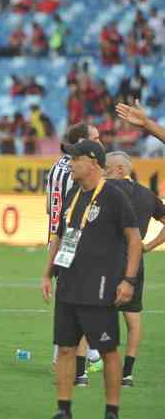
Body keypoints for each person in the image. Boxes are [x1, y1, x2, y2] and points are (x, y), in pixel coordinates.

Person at [42, 140, 141, 419]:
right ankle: (64, 409)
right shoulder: (73, 194)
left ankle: (111, 411)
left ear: (93, 162)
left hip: (99, 286)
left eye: (75, 159)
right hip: (68, 284)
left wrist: (129, 280)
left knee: (108, 350)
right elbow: (59, 237)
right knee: (65, 349)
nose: (70, 164)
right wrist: (47, 274)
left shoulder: (114, 195)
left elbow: (134, 239)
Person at [46, 122, 103, 379]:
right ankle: (76, 357)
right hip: (73, 241)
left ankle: (79, 354)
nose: (99, 142)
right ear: (82, 142)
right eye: (95, 138)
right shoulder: (78, 170)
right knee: (81, 300)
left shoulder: (55, 169)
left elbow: (51, 209)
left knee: (68, 300)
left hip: (56, 239)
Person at [104, 151, 165, 388]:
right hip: (134, 263)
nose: (103, 172)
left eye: (106, 168)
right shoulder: (147, 195)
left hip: (104, 261)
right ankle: (127, 374)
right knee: (133, 320)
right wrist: (148, 246)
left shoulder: (103, 191)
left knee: (88, 312)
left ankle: (80, 373)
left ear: (120, 169)